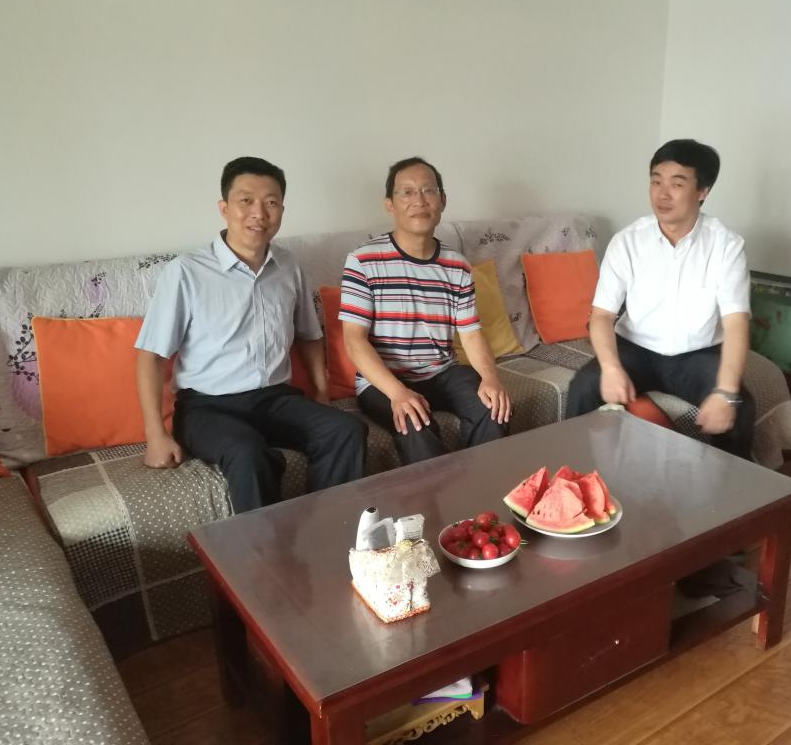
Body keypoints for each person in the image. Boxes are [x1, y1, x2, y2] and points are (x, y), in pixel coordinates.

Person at [134, 156, 367, 513]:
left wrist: (321, 393)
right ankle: (265, 549)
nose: (259, 213)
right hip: (207, 407)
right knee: (247, 452)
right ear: (224, 208)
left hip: (275, 398)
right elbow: (151, 355)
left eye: (271, 202)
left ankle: (328, 530)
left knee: (344, 429)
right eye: (246, 200)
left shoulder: (289, 266)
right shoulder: (185, 272)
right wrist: (155, 434)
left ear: (281, 210)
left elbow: (309, 335)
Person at [566, 139, 755, 459]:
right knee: (584, 386)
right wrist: (610, 368)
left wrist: (725, 392)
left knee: (739, 407)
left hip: (696, 357)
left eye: (676, 184)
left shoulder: (726, 245)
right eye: (656, 181)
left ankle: (727, 488)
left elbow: (736, 323)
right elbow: (601, 316)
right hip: (635, 350)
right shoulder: (627, 242)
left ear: (702, 191)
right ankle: (573, 475)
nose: (662, 194)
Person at [340, 156, 511, 465]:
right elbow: (354, 340)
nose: (419, 200)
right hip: (384, 380)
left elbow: (471, 335)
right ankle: (443, 498)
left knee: (493, 407)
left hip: (442, 372)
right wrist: (397, 393)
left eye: (428, 190)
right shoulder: (363, 261)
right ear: (389, 205)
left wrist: (490, 378)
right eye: (407, 192)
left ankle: (488, 490)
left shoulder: (457, 266)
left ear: (442, 200)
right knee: (415, 423)